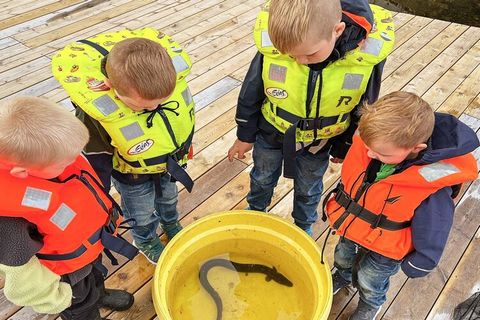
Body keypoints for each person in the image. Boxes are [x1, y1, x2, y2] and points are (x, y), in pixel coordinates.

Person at [227, 0, 395, 236]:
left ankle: (303, 226)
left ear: (337, 31)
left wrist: (343, 145)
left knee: (309, 187)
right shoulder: (278, 44)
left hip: (320, 142)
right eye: (291, 56)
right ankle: (255, 210)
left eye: (308, 54)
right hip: (271, 131)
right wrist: (244, 135)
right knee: (262, 177)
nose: (299, 61)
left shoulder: (366, 57)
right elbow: (251, 91)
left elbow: (364, 108)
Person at [323, 92, 479, 319]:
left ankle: (371, 303)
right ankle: (343, 274)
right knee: (343, 255)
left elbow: (435, 225)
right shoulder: (375, 146)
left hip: (387, 245)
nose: (369, 154)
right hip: (353, 225)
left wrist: (423, 260)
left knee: (371, 277)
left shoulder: (431, 185)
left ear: (416, 147)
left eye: (380, 153)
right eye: (368, 147)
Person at [52, 28, 196, 264]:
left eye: (160, 102)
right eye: (142, 106)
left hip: (169, 166)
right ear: (110, 85)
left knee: (169, 199)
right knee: (140, 212)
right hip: (132, 176)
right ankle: (145, 239)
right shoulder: (97, 113)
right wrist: (101, 199)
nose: (153, 109)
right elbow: (96, 160)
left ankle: (170, 222)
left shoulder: (162, 89)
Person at [0, 97, 139, 320]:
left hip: (88, 249)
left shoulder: (49, 156)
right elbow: (21, 278)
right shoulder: (8, 219)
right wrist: (58, 298)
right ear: (21, 172)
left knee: (94, 278)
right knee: (83, 310)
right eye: (65, 163)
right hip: (67, 278)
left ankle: (99, 294)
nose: (74, 162)